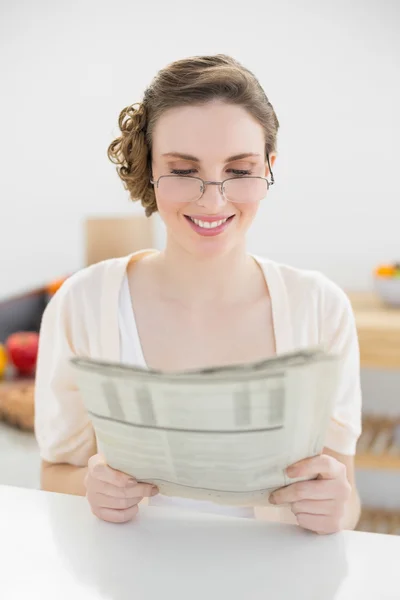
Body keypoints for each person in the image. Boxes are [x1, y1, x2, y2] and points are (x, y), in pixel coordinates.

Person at [35, 54, 362, 534]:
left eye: (239, 170)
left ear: (269, 168)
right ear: (149, 170)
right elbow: (52, 472)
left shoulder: (320, 307)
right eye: (184, 170)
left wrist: (338, 508)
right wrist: (90, 485)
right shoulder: (83, 303)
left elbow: (344, 495)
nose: (213, 200)